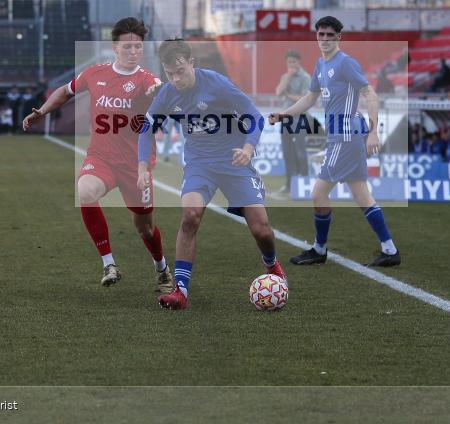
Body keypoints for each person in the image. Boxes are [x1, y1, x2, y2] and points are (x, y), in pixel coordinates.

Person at [23, 17, 172, 292]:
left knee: (146, 228)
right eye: (127, 47)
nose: (133, 52)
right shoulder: (95, 73)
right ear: (114, 47)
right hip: (101, 157)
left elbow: (162, 95)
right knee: (86, 191)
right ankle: (109, 263)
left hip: (135, 165)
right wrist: (42, 111)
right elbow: (65, 92)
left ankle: (161, 267)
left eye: (138, 47)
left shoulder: (147, 80)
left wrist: (158, 93)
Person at [138, 39, 285, 310]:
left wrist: (248, 147)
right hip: (199, 164)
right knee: (190, 216)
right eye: (170, 73)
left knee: (261, 229)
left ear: (192, 63)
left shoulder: (216, 84)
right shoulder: (168, 93)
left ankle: (272, 266)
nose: (176, 78)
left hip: (234, 162)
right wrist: (141, 166)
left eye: (180, 70)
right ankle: (180, 291)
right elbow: (147, 129)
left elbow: (254, 115)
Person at [268, 16, 401, 268]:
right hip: (341, 137)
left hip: (346, 136)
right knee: (362, 195)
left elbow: (370, 94)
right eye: (321, 35)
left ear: (339, 37)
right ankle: (389, 248)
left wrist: (373, 131)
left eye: (331, 35)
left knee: (318, 193)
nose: (326, 39)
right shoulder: (320, 64)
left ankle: (319, 249)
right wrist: (285, 114)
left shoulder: (346, 64)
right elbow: (309, 98)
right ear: (316, 37)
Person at [275, 50, 311, 194]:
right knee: (287, 152)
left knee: (300, 152)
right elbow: (278, 92)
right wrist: (287, 78)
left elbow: (305, 100)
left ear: (299, 62)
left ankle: (305, 182)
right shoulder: (285, 76)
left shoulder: (306, 77)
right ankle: (289, 185)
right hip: (286, 119)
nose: (292, 65)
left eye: (294, 62)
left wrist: (288, 95)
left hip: (300, 118)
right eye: (289, 62)